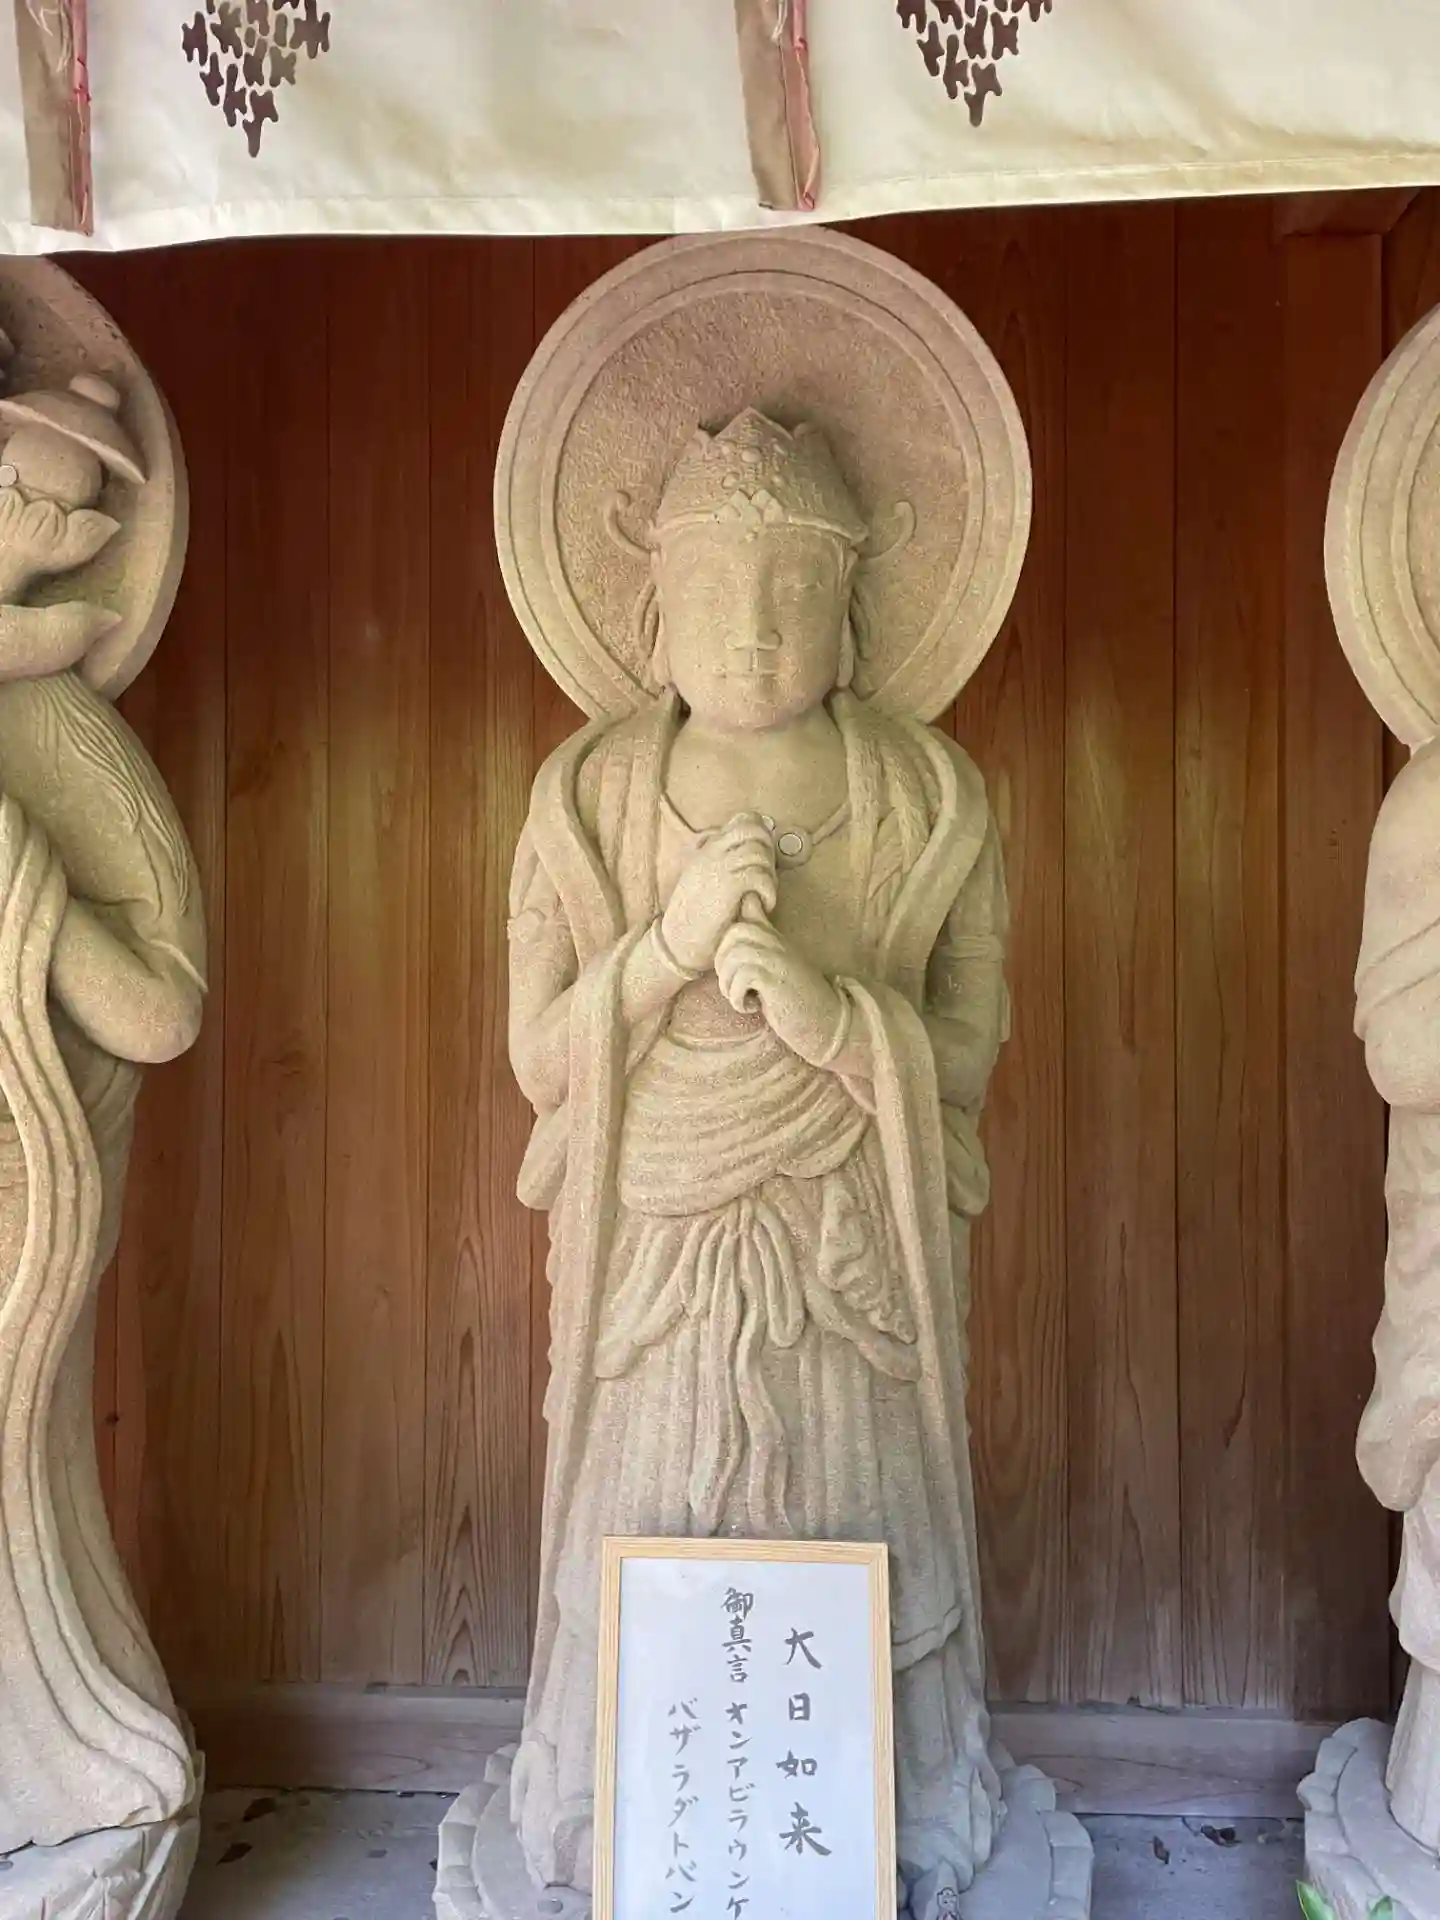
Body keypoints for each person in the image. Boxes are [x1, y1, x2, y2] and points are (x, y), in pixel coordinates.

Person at [506, 409, 1010, 1917]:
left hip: (852, 1233)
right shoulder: (585, 802)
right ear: (653, 606)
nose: (756, 628)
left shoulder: (927, 801)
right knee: (645, 1480)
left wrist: (833, 1017)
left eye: (796, 588)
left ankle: (886, 1802)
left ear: (853, 609)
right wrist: (662, 952)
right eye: (718, 589)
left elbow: (967, 1050)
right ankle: (622, 1801)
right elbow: (539, 1061)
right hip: (652, 1236)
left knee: (861, 1485)